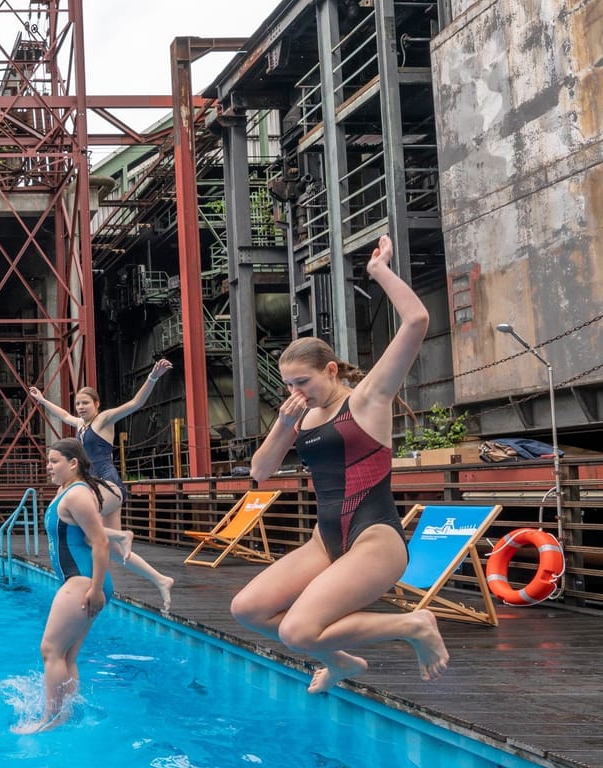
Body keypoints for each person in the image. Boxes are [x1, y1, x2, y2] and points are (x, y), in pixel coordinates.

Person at [229, 234, 449, 694]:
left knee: (297, 630)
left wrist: (379, 271)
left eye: (302, 382)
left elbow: (416, 320)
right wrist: (283, 425)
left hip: (374, 538)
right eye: (289, 384)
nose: (295, 392)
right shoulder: (301, 414)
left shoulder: (368, 399)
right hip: (326, 539)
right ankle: (341, 661)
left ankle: (414, 625)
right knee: (247, 609)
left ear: (330, 370)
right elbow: (260, 472)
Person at [29, 358, 175, 610]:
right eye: (78, 403)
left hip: (107, 486)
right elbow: (63, 414)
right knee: (117, 552)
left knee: (85, 528)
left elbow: (135, 403)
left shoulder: (104, 419)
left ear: (97, 404)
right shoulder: (80, 425)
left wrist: (153, 377)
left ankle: (120, 536)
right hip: (98, 489)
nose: (80, 407)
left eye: (85, 403)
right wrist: (42, 400)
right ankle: (161, 579)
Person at [14, 437, 113, 734]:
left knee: (50, 650)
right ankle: (64, 715)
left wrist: (95, 589)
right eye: (48, 461)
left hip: (83, 581)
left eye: (54, 461)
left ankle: (49, 718)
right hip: (82, 580)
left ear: (73, 463)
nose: (48, 467)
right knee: (67, 655)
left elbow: (100, 541)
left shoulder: (77, 495)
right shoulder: (67, 491)